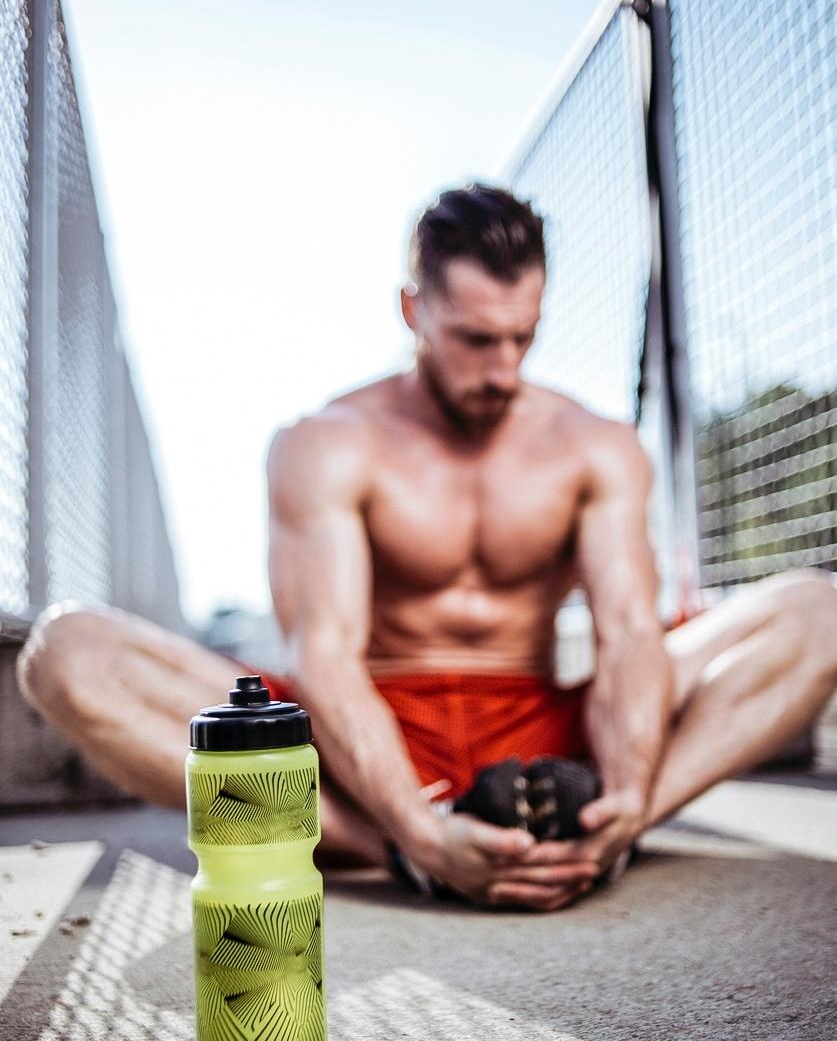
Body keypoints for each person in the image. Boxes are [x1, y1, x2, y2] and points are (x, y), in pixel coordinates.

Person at [16, 184, 837, 912]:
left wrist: (624, 789)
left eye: (524, 337)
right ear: (414, 311)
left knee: (817, 611)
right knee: (66, 653)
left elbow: (626, 633)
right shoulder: (328, 443)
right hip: (365, 734)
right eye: (477, 340)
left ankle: (602, 835)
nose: (505, 368)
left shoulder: (593, 445)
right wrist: (411, 824)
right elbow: (325, 653)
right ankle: (404, 855)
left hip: (544, 728)